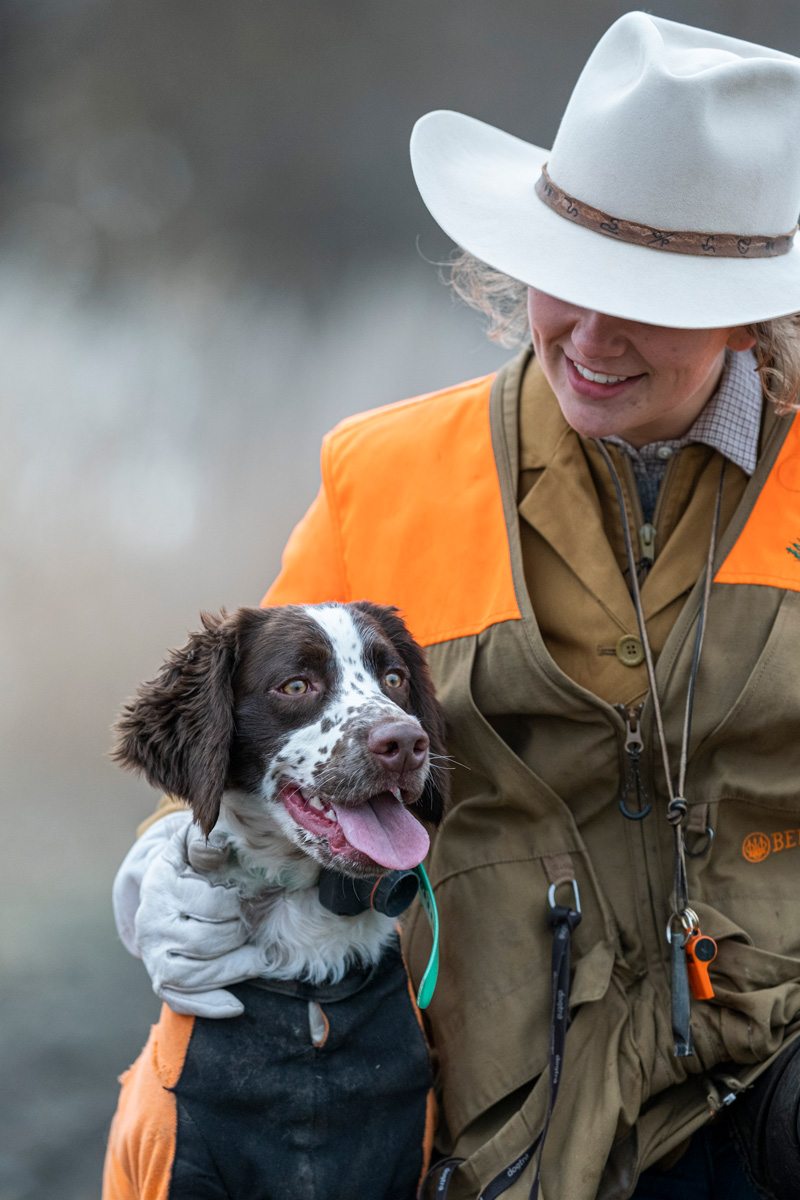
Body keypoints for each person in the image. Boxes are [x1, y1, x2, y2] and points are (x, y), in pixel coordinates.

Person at [110, 13, 800, 1199]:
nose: (586, 335)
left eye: (643, 297)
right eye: (565, 281)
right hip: (494, 1104)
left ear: (748, 310)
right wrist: (156, 868)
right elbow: (251, 733)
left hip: (776, 1065)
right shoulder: (382, 475)